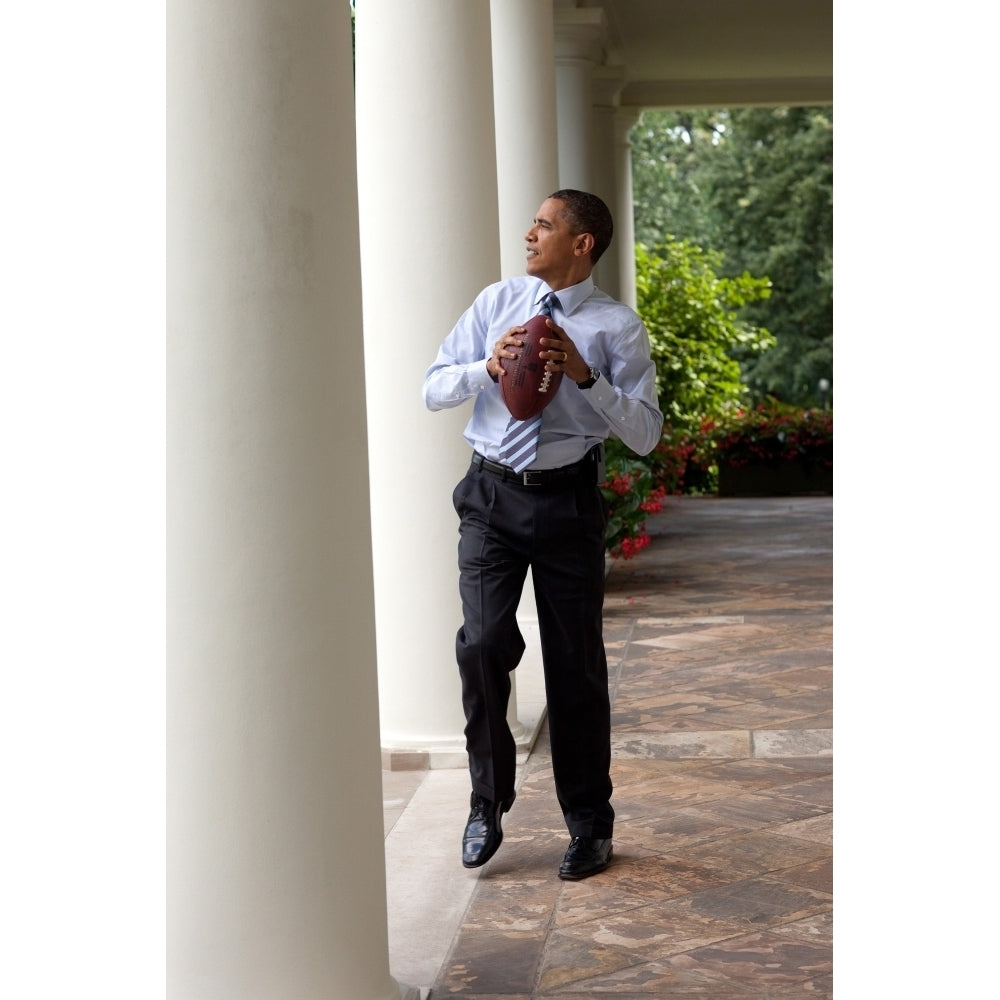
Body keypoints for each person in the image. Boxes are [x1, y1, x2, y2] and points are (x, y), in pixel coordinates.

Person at [422, 189, 663, 880]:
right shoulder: (495, 303)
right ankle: (485, 802)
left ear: (582, 243)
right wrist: (485, 368)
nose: (530, 233)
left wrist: (587, 378)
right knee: (485, 643)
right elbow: (433, 387)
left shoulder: (617, 328)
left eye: (545, 224)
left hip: (566, 504)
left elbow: (645, 436)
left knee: (575, 666)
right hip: (491, 495)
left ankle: (590, 824)